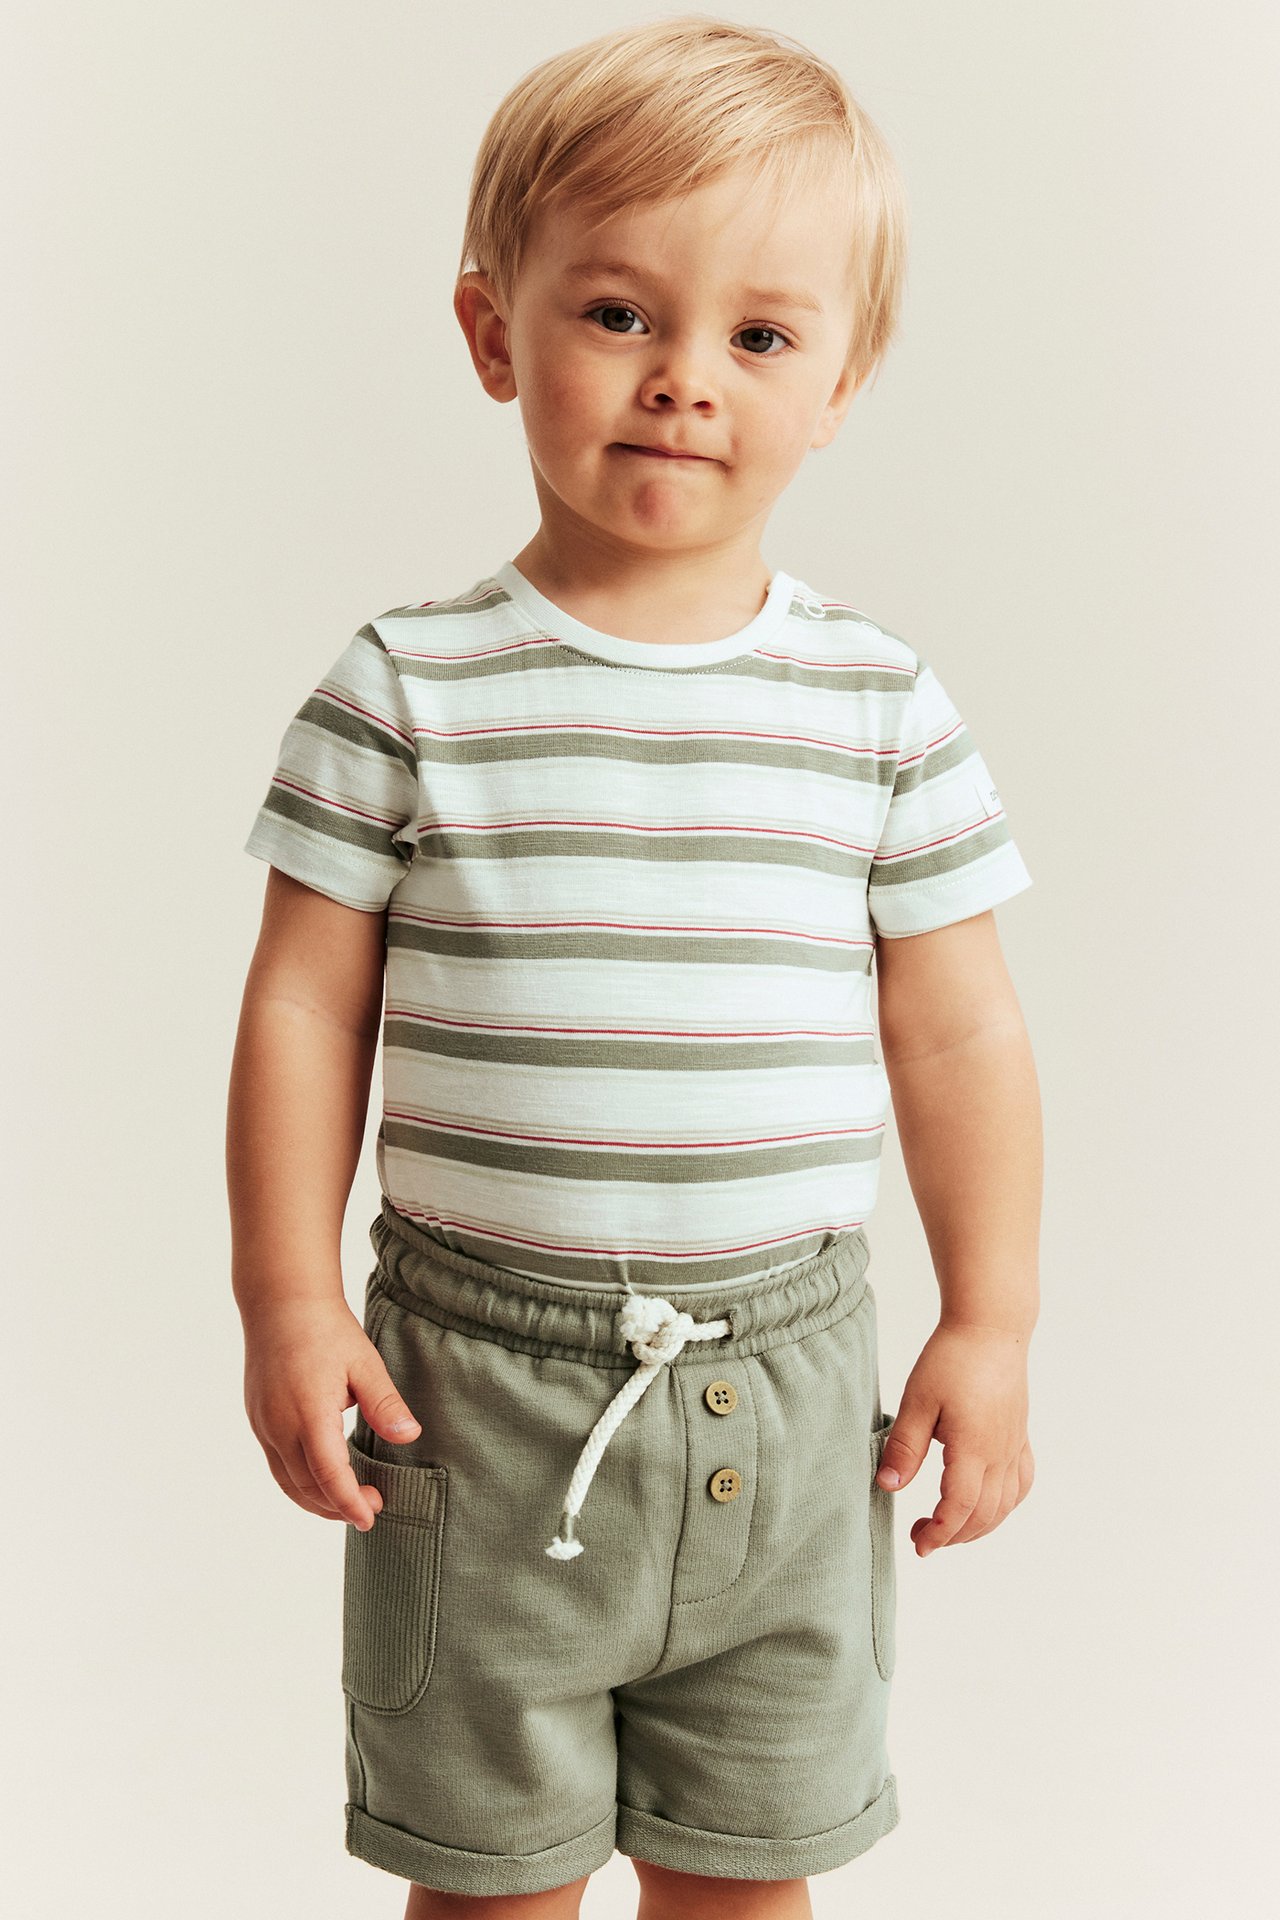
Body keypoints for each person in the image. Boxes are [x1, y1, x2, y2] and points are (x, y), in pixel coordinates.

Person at [226, 15, 1041, 1918]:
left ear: (840, 381)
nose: (685, 382)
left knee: (752, 1877)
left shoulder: (878, 705)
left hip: (793, 1381)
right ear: (492, 329)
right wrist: (283, 1292)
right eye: (617, 315)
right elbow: (299, 1005)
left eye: (758, 336)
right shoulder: (405, 689)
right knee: (489, 1881)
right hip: (478, 1400)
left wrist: (989, 1321)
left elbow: (960, 1028)